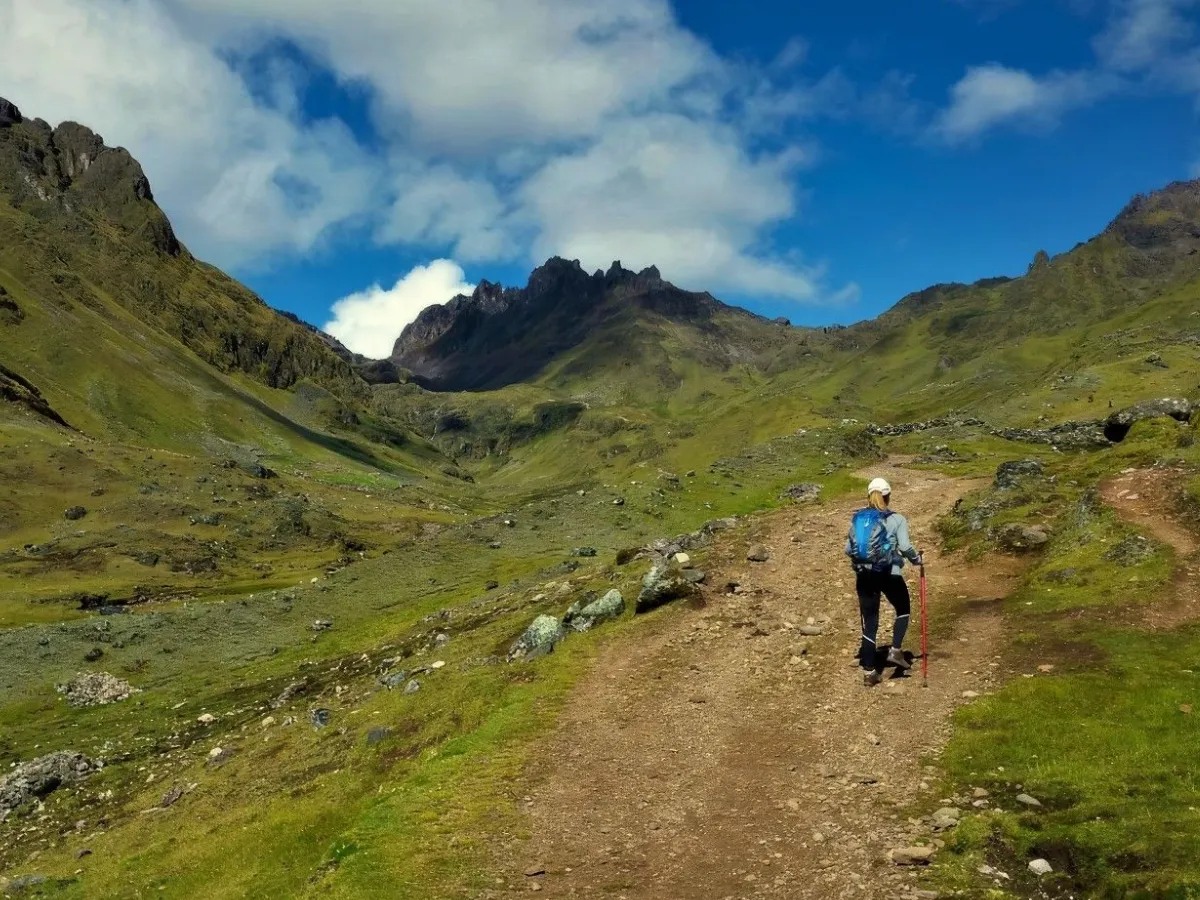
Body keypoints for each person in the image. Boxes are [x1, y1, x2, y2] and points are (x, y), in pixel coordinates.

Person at [845, 477, 923, 686]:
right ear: (888, 496)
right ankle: (896, 651)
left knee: (870, 623)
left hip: (864, 576)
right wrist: (916, 560)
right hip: (890, 573)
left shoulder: (859, 519)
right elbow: (905, 547)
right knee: (903, 608)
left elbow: (847, 549)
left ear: (868, 495)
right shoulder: (897, 519)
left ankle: (870, 672)